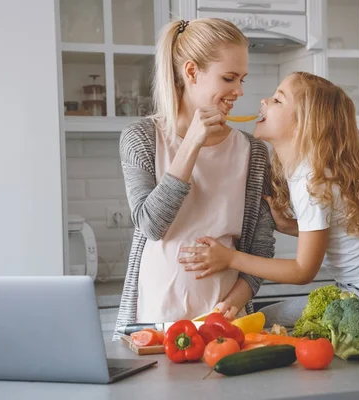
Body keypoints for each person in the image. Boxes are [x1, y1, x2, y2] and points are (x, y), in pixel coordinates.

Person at [179, 72, 359, 327]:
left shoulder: (310, 180)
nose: (264, 101)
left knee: (269, 322)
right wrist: (286, 225)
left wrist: (229, 258)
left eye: (278, 100)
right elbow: (337, 232)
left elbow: (303, 271)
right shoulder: (309, 172)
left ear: (303, 124)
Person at [113, 18, 276, 339]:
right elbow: (151, 225)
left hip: (227, 325)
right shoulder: (141, 138)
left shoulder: (253, 151)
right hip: (154, 321)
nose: (239, 91)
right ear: (191, 72)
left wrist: (232, 304)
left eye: (242, 79)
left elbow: (261, 247)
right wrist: (191, 145)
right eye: (228, 78)